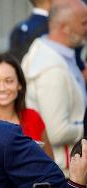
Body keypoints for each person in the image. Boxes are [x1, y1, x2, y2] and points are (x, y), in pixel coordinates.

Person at [22, 0, 87, 176]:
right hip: (64, 173)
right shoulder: (51, 69)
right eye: (83, 23)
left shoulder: (53, 52)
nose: (86, 28)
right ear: (65, 28)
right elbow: (57, 132)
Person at [0, 52, 54, 159]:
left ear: (20, 84)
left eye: (9, 81)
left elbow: (51, 166)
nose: (2, 88)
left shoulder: (33, 118)